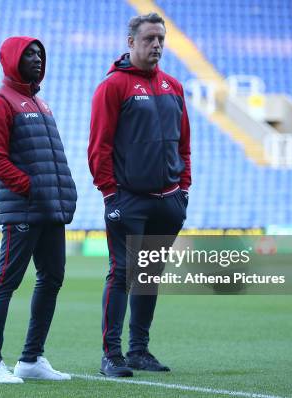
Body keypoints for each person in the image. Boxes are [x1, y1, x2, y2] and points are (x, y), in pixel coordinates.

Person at [88, 13, 191, 377]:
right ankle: (111, 355)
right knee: (122, 274)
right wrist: (110, 195)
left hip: (169, 200)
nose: (157, 45)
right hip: (128, 199)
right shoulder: (113, 87)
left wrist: (184, 189)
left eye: (161, 39)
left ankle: (139, 351)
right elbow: (98, 148)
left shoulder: (174, 87)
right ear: (130, 42)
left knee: (149, 275)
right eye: (149, 39)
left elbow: (184, 145)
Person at [0, 36, 77, 384]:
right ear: (12, 59)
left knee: (52, 279)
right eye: (29, 54)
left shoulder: (41, 104)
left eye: (39, 54)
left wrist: (63, 192)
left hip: (50, 210)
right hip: (23, 210)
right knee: (7, 281)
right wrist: (30, 188)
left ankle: (31, 358)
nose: (36, 59)